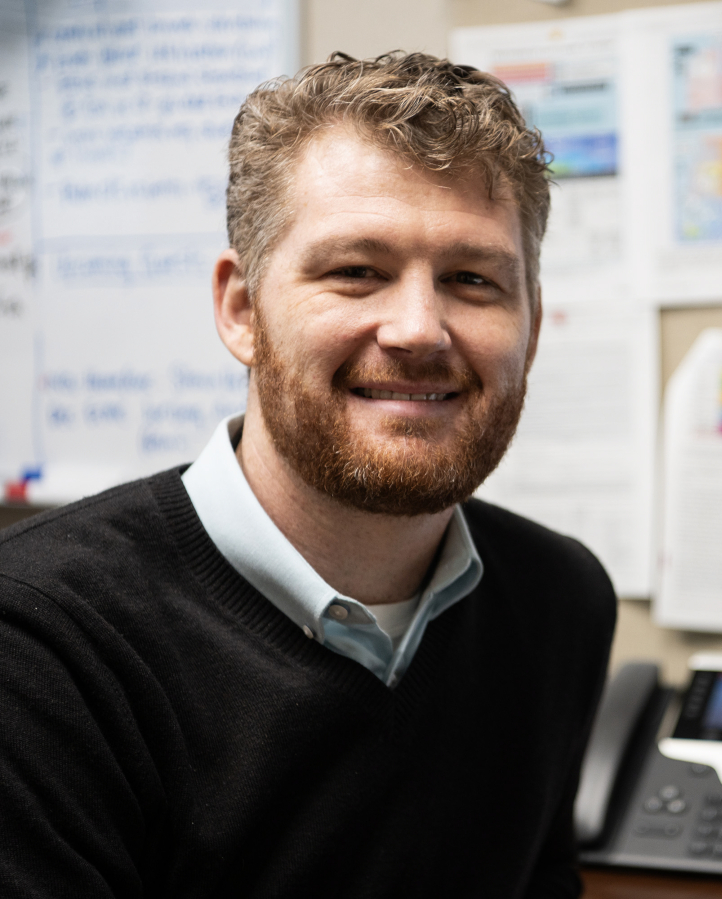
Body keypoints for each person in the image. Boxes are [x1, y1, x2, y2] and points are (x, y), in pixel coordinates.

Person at [0, 52, 615, 898]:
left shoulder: (559, 601)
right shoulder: (38, 642)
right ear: (242, 310)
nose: (417, 329)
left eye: (472, 280)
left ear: (531, 329)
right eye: (355, 271)